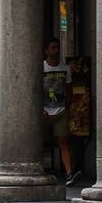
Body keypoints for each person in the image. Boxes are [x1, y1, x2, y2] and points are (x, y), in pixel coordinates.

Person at [42, 39, 80, 186]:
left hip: (60, 109)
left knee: (63, 141)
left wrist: (68, 107)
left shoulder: (65, 68)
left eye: (58, 48)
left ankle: (69, 173)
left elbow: (69, 88)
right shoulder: (42, 68)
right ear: (46, 51)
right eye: (53, 48)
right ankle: (38, 169)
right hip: (44, 110)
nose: (56, 51)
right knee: (38, 140)